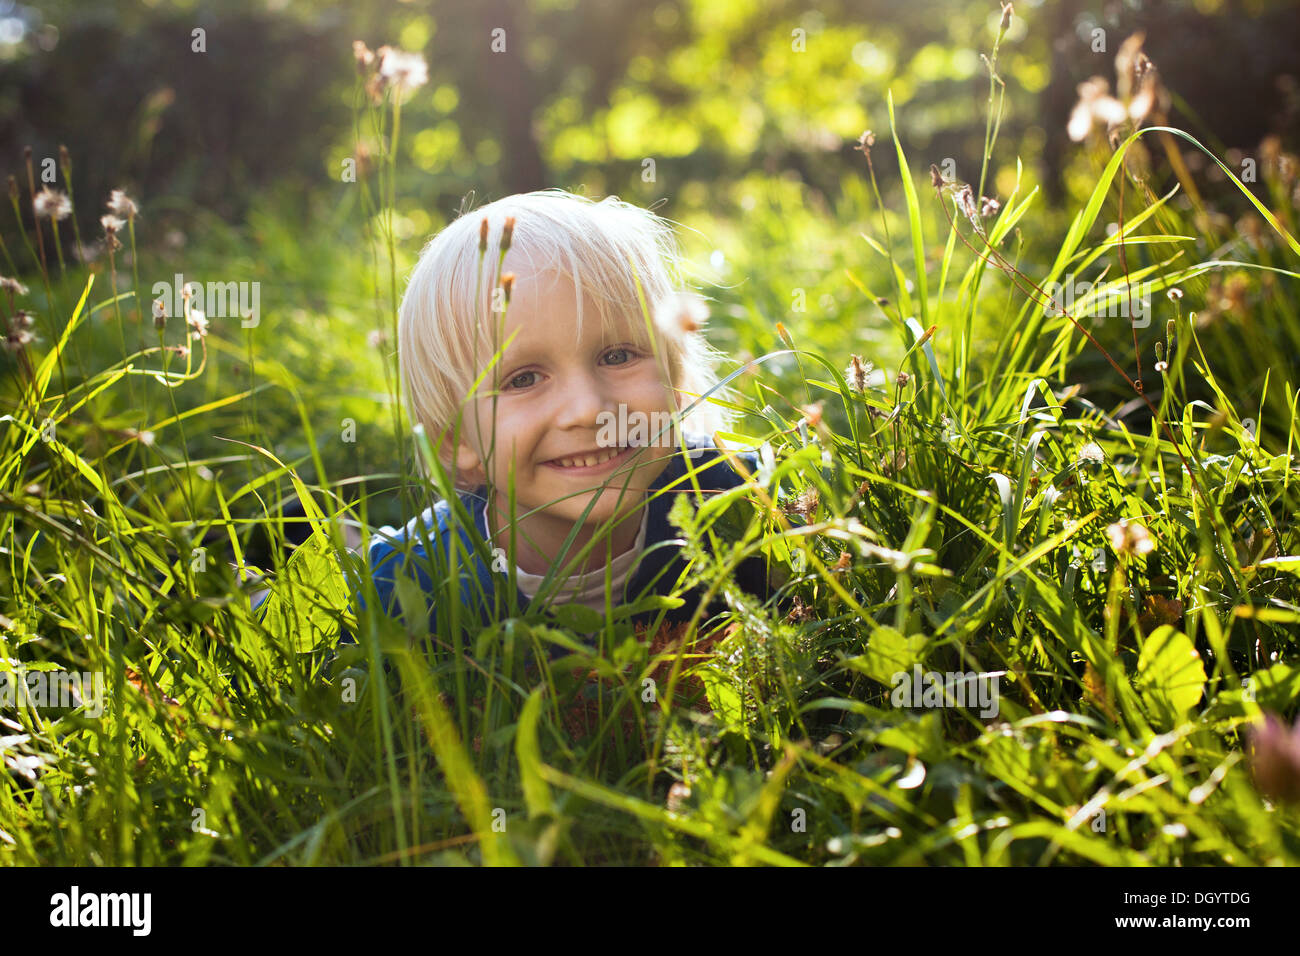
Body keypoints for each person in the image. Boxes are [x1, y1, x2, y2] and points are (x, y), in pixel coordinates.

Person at [356, 189, 771, 648]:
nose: (588, 409)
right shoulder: (409, 586)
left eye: (617, 355)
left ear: (674, 380)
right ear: (455, 439)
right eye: (523, 379)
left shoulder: (747, 505)